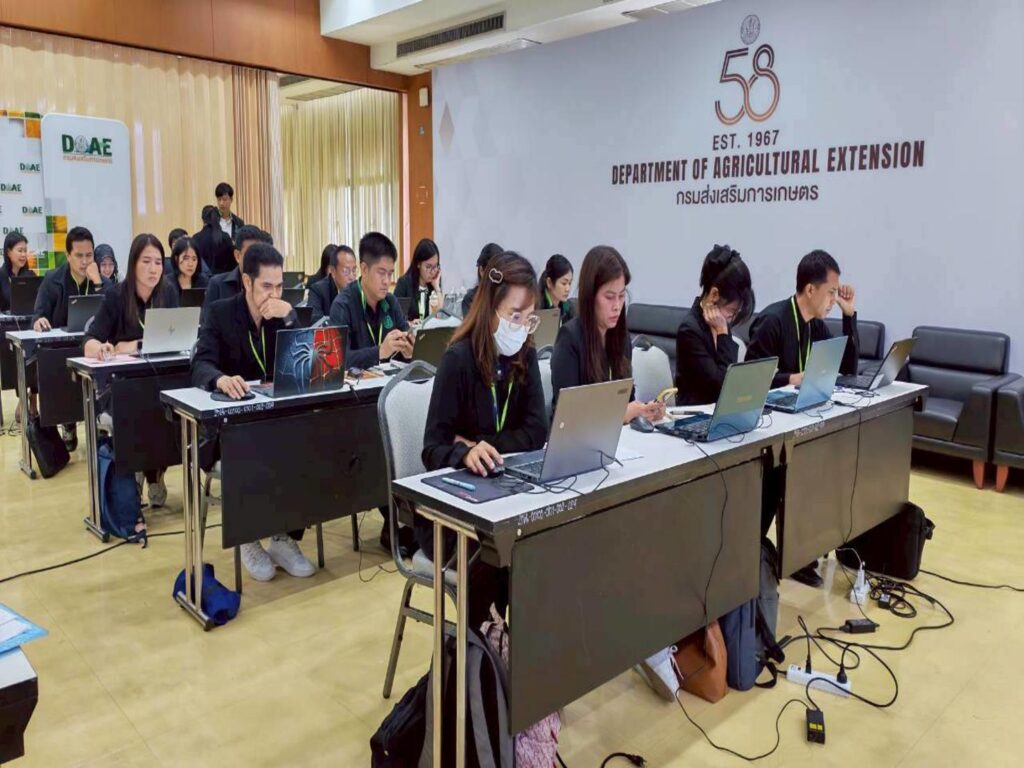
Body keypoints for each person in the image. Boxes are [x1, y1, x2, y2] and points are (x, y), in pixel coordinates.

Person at [421, 250, 547, 625]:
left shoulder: (525, 355)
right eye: (514, 316)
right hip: (454, 515)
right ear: (490, 308)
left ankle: (511, 642)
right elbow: (432, 448)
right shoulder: (458, 360)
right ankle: (481, 643)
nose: (521, 327)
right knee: (499, 552)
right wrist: (463, 453)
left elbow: (537, 431)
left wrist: (480, 442)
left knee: (544, 544)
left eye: (529, 317)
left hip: (505, 494)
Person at [191, 242, 315, 581]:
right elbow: (200, 364)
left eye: (279, 286)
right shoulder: (220, 313)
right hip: (230, 427)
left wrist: (290, 316)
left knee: (308, 441)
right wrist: (219, 379)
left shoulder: (283, 315)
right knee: (253, 450)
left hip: (275, 419)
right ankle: (248, 536)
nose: (273, 295)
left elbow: (305, 362)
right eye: (266, 286)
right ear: (247, 282)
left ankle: (283, 536)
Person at [746, 248, 859, 587]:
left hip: (800, 421)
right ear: (810, 289)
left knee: (820, 468)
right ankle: (759, 553)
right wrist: (791, 378)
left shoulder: (816, 326)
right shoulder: (773, 321)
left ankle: (798, 555)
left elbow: (848, 368)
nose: (833, 300)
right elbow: (751, 378)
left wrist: (849, 315)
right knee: (784, 476)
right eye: (830, 293)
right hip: (766, 428)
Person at [329, 232, 416, 555]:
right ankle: (393, 523)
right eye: (381, 273)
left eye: (391, 273)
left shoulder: (390, 303)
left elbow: (403, 344)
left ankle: (410, 520)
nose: (387, 281)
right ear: (363, 270)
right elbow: (335, 360)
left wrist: (409, 350)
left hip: (387, 397)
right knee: (381, 446)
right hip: (352, 406)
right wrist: (379, 352)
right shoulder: (343, 305)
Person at [84, 234, 178, 511]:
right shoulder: (116, 296)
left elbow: (174, 337)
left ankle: (155, 473)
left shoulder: (168, 292)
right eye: (146, 261)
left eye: (158, 262)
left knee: (172, 412)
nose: (153, 269)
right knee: (139, 411)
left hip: (160, 377)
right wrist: (105, 348)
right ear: (133, 263)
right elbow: (89, 340)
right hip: (122, 384)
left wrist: (133, 345)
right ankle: (137, 472)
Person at [550, 245, 665, 423]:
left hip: (620, 436)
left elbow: (627, 400)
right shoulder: (570, 339)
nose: (617, 306)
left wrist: (643, 410)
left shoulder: (621, 338)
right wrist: (622, 414)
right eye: (609, 297)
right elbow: (568, 417)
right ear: (590, 296)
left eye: (621, 296)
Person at [32, 226, 111, 451]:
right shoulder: (52, 280)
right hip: (63, 347)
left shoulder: (102, 280)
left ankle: (101, 420)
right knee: (57, 366)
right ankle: (68, 421)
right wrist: (39, 321)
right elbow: (38, 315)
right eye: (79, 256)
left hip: (95, 346)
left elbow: (113, 311)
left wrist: (98, 283)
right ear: (68, 255)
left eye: (89, 255)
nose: (85, 261)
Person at [674, 244, 755, 405]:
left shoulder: (720, 324)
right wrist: (723, 332)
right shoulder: (690, 330)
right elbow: (722, 386)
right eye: (731, 311)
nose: (731, 318)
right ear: (714, 294)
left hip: (719, 410)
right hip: (695, 414)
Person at [204, 226, 272, 307]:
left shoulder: (271, 284)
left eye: (259, 253)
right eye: (250, 254)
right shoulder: (218, 285)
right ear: (238, 256)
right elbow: (207, 315)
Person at [394, 238, 442, 322]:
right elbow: (395, 317)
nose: (433, 272)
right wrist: (409, 323)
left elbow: (440, 314)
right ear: (418, 264)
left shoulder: (434, 283)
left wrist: (437, 288)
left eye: (435, 266)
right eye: (428, 267)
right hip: (409, 330)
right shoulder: (404, 284)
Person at [307, 244, 355, 322]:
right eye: (346, 271)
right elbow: (315, 321)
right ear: (333, 271)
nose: (352, 277)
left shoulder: (358, 290)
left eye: (354, 270)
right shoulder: (318, 290)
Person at [461, 242, 503, 317]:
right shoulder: (471, 300)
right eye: (493, 272)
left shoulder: (508, 297)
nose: (498, 276)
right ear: (481, 270)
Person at [193, 205, 235, 275]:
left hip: (202, 280)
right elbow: (232, 264)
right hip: (223, 279)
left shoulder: (195, 238)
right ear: (219, 219)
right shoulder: (225, 237)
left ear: (202, 219)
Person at [0, 232, 36, 312]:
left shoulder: (31, 275)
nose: (23, 255)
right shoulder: (1, 276)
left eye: (25, 251)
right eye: (20, 251)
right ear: (8, 252)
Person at [539, 253, 575, 326]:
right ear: (549, 282)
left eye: (570, 283)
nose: (568, 289)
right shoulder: (538, 306)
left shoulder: (568, 307)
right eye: (564, 283)